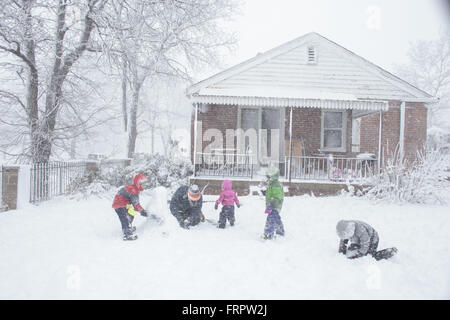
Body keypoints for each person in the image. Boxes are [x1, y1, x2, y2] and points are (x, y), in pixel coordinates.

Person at [112, 173, 149, 241]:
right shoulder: (133, 190)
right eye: (143, 184)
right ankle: (127, 234)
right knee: (125, 218)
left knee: (131, 214)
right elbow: (136, 204)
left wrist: (141, 211)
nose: (144, 186)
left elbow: (134, 204)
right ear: (138, 184)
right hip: (120, 204)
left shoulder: (134, 189)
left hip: (125, 204)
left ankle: (128, 227)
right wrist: (142, 211)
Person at [262, 166, 285, 239]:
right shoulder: (272, 184)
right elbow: (271, 193)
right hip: (272, 205)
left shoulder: (276, 185)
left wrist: (272, 202)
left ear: (273, 177)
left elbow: (278, 196)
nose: (267, 179)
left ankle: (268, 234)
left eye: (268, 177)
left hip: (275, 206)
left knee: (270, 219)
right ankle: (280, 231)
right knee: (276, 218)